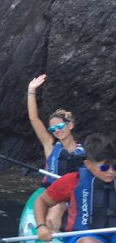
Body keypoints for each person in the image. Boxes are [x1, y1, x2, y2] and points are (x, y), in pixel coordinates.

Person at [33, 133, 116, 243]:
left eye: (115, 167)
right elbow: (41, 201)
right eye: (104, 168)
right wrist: (41, 226)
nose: (111, 172)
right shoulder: (72, 181)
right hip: (86, 237)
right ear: (88, 164)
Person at [28, 74, 85, 229]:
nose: (56, 131)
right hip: (55, 194)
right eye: (52, 129)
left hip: (77, 195)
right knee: (56, 208)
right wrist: (31, 91)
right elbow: (34, 119)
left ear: (70, 125)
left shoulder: (86, 152)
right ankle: (49, 237)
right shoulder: (50, 146)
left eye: (60, 127)